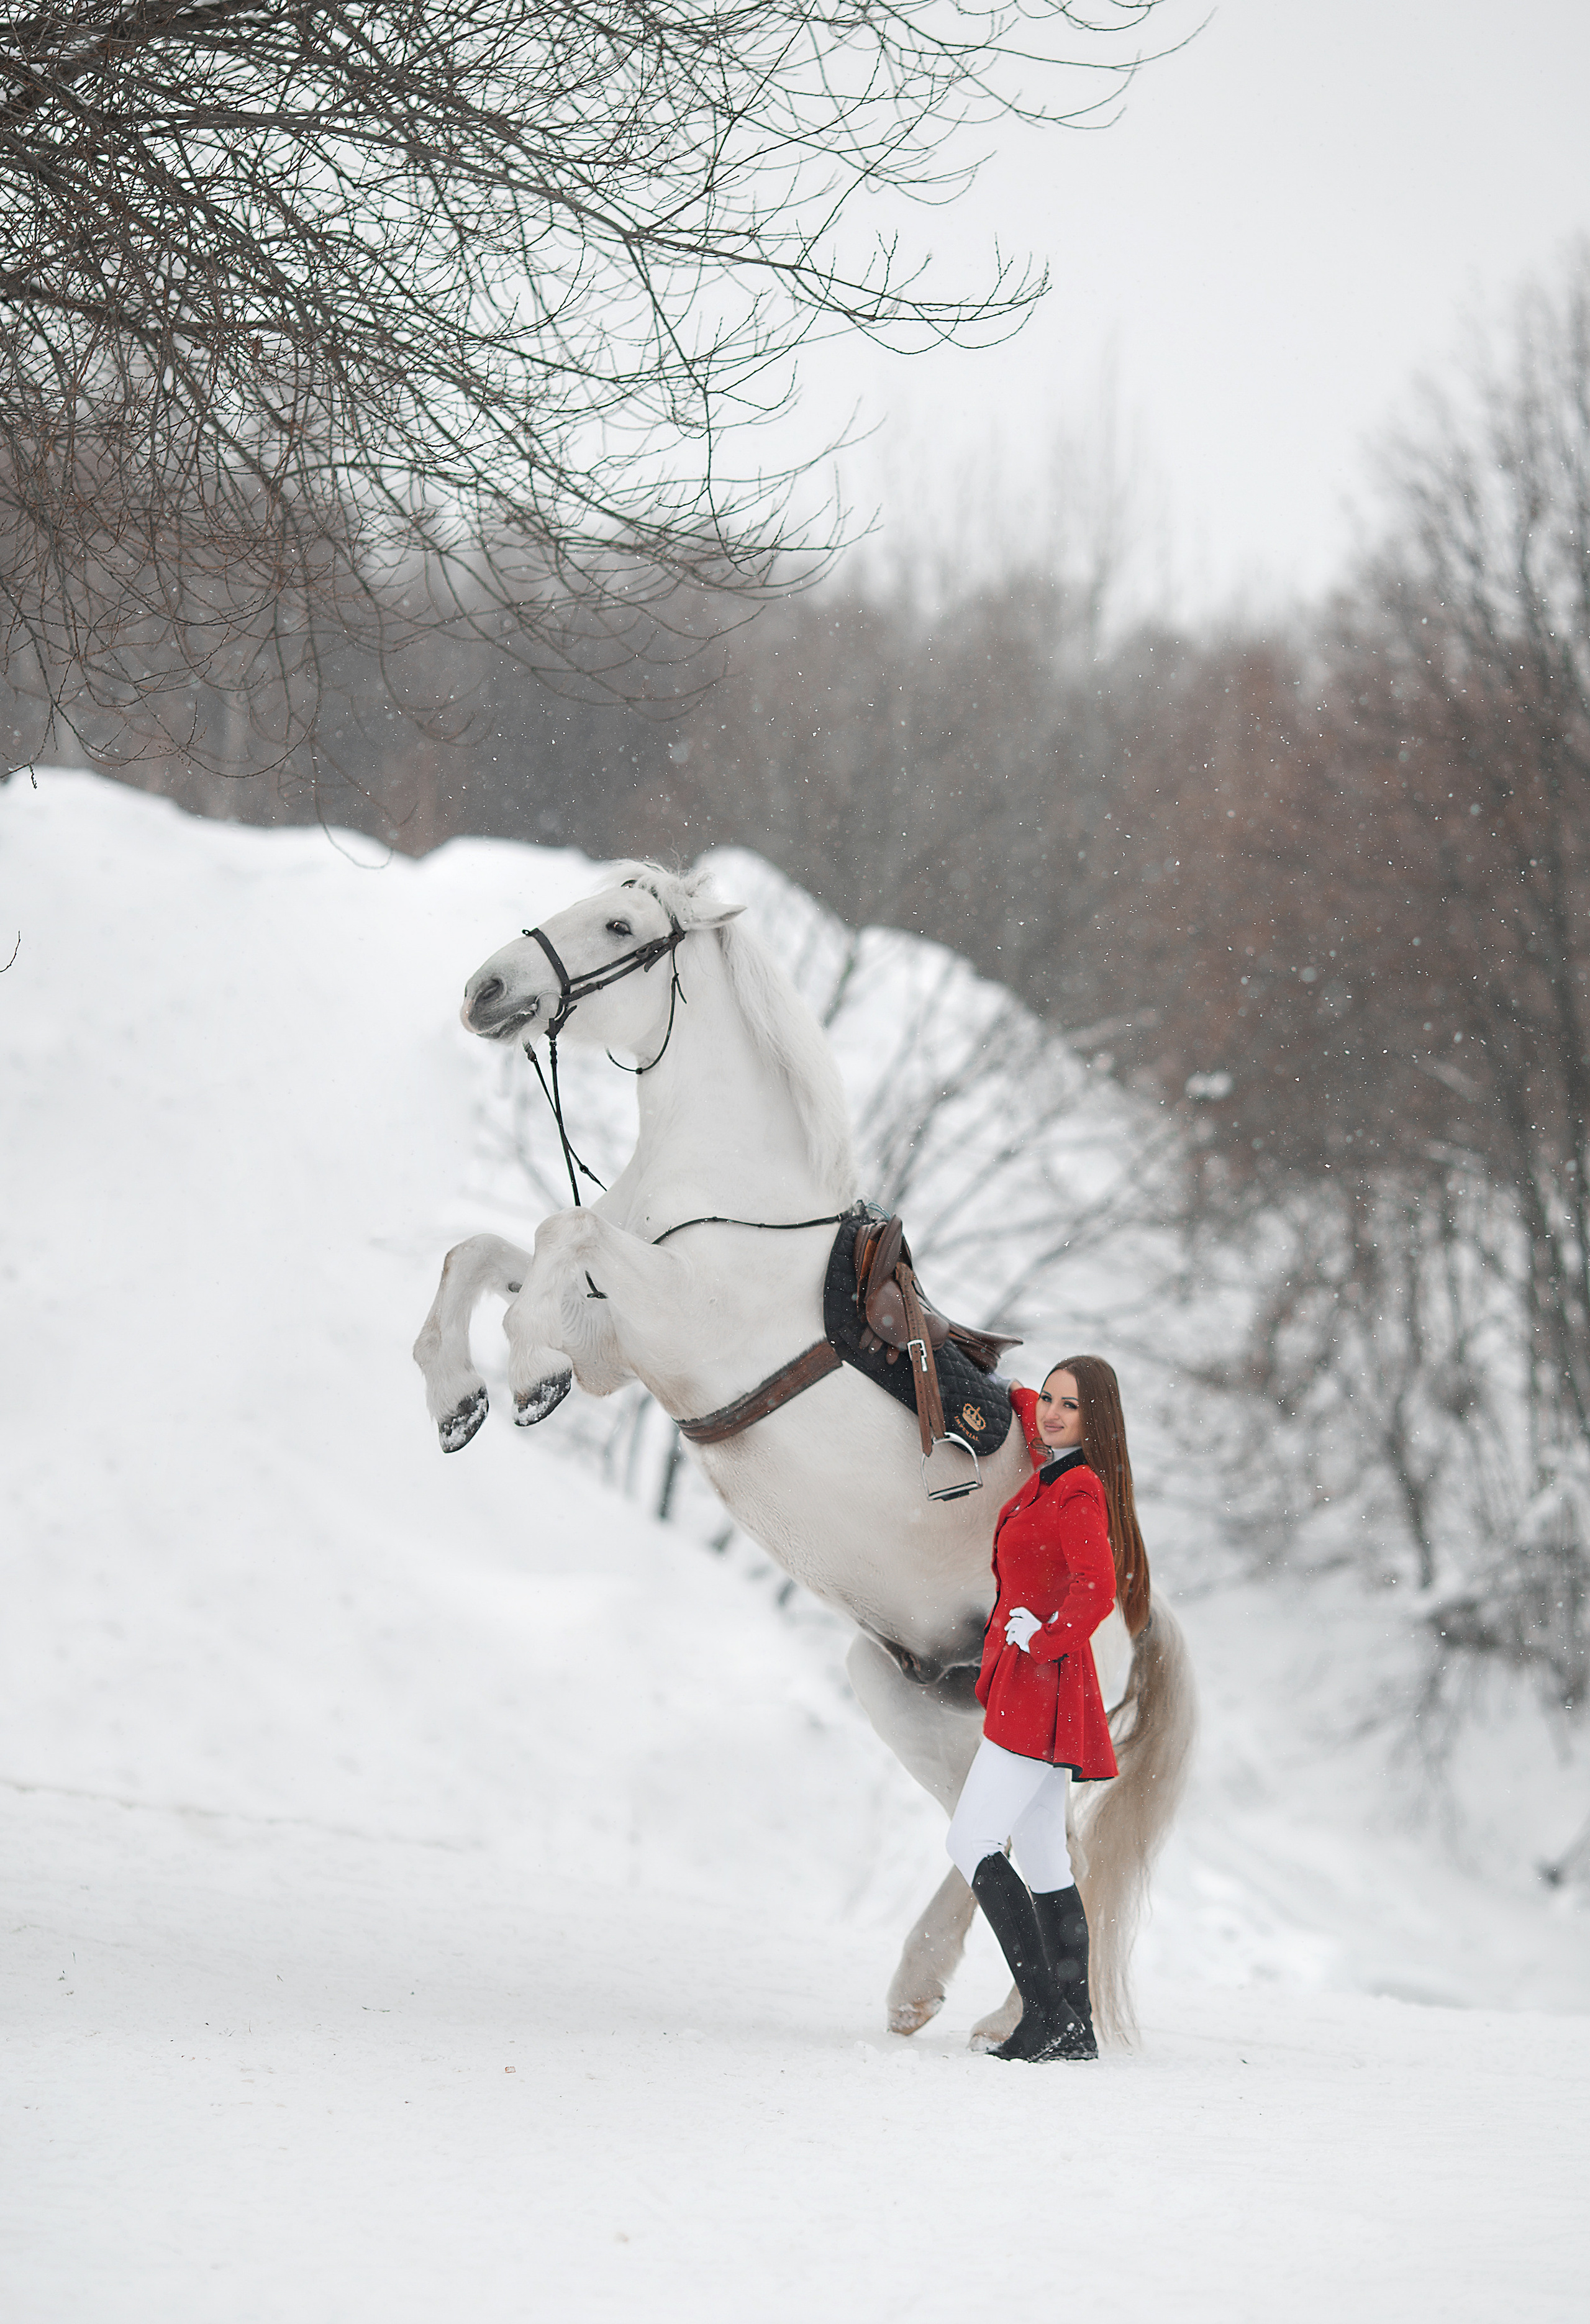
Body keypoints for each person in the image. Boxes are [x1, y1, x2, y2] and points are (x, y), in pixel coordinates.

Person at [945, 1355, 1148, 2063]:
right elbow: (1032, 1412)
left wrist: (1045, 1632)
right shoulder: (1055, 1470)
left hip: (1038, 1686)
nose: (1054, 1414)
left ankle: (1043, 2014)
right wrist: (988, 1380)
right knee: (1043, 1857)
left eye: (1072, 1406)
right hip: (1036, 1685)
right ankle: (1076, 2025)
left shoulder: (1079, 1490)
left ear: (1098, 1420)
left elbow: (1094, 1587)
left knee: (970, 1842)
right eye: (1051, 1401)